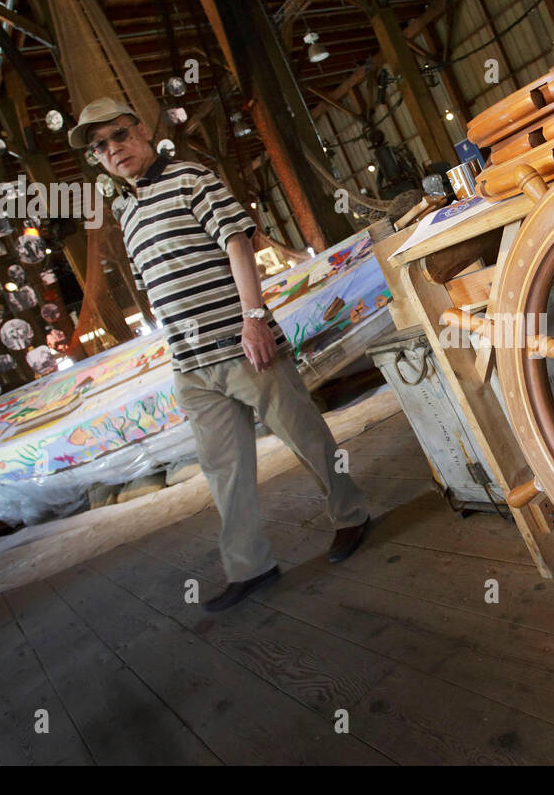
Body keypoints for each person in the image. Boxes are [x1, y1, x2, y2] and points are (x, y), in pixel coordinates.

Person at [69, 97, 371, 612]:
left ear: (140, 131)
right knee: (222, 470)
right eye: (100, 146)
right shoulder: (126, 212)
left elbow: (236, 242)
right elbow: (158, 287)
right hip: (190, 365)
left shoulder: (190, 177)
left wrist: (253, 320)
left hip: (240, 343)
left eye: (119, 135)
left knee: (304, 435)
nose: (113, 149)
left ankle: (351, 517)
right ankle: (250, 566)